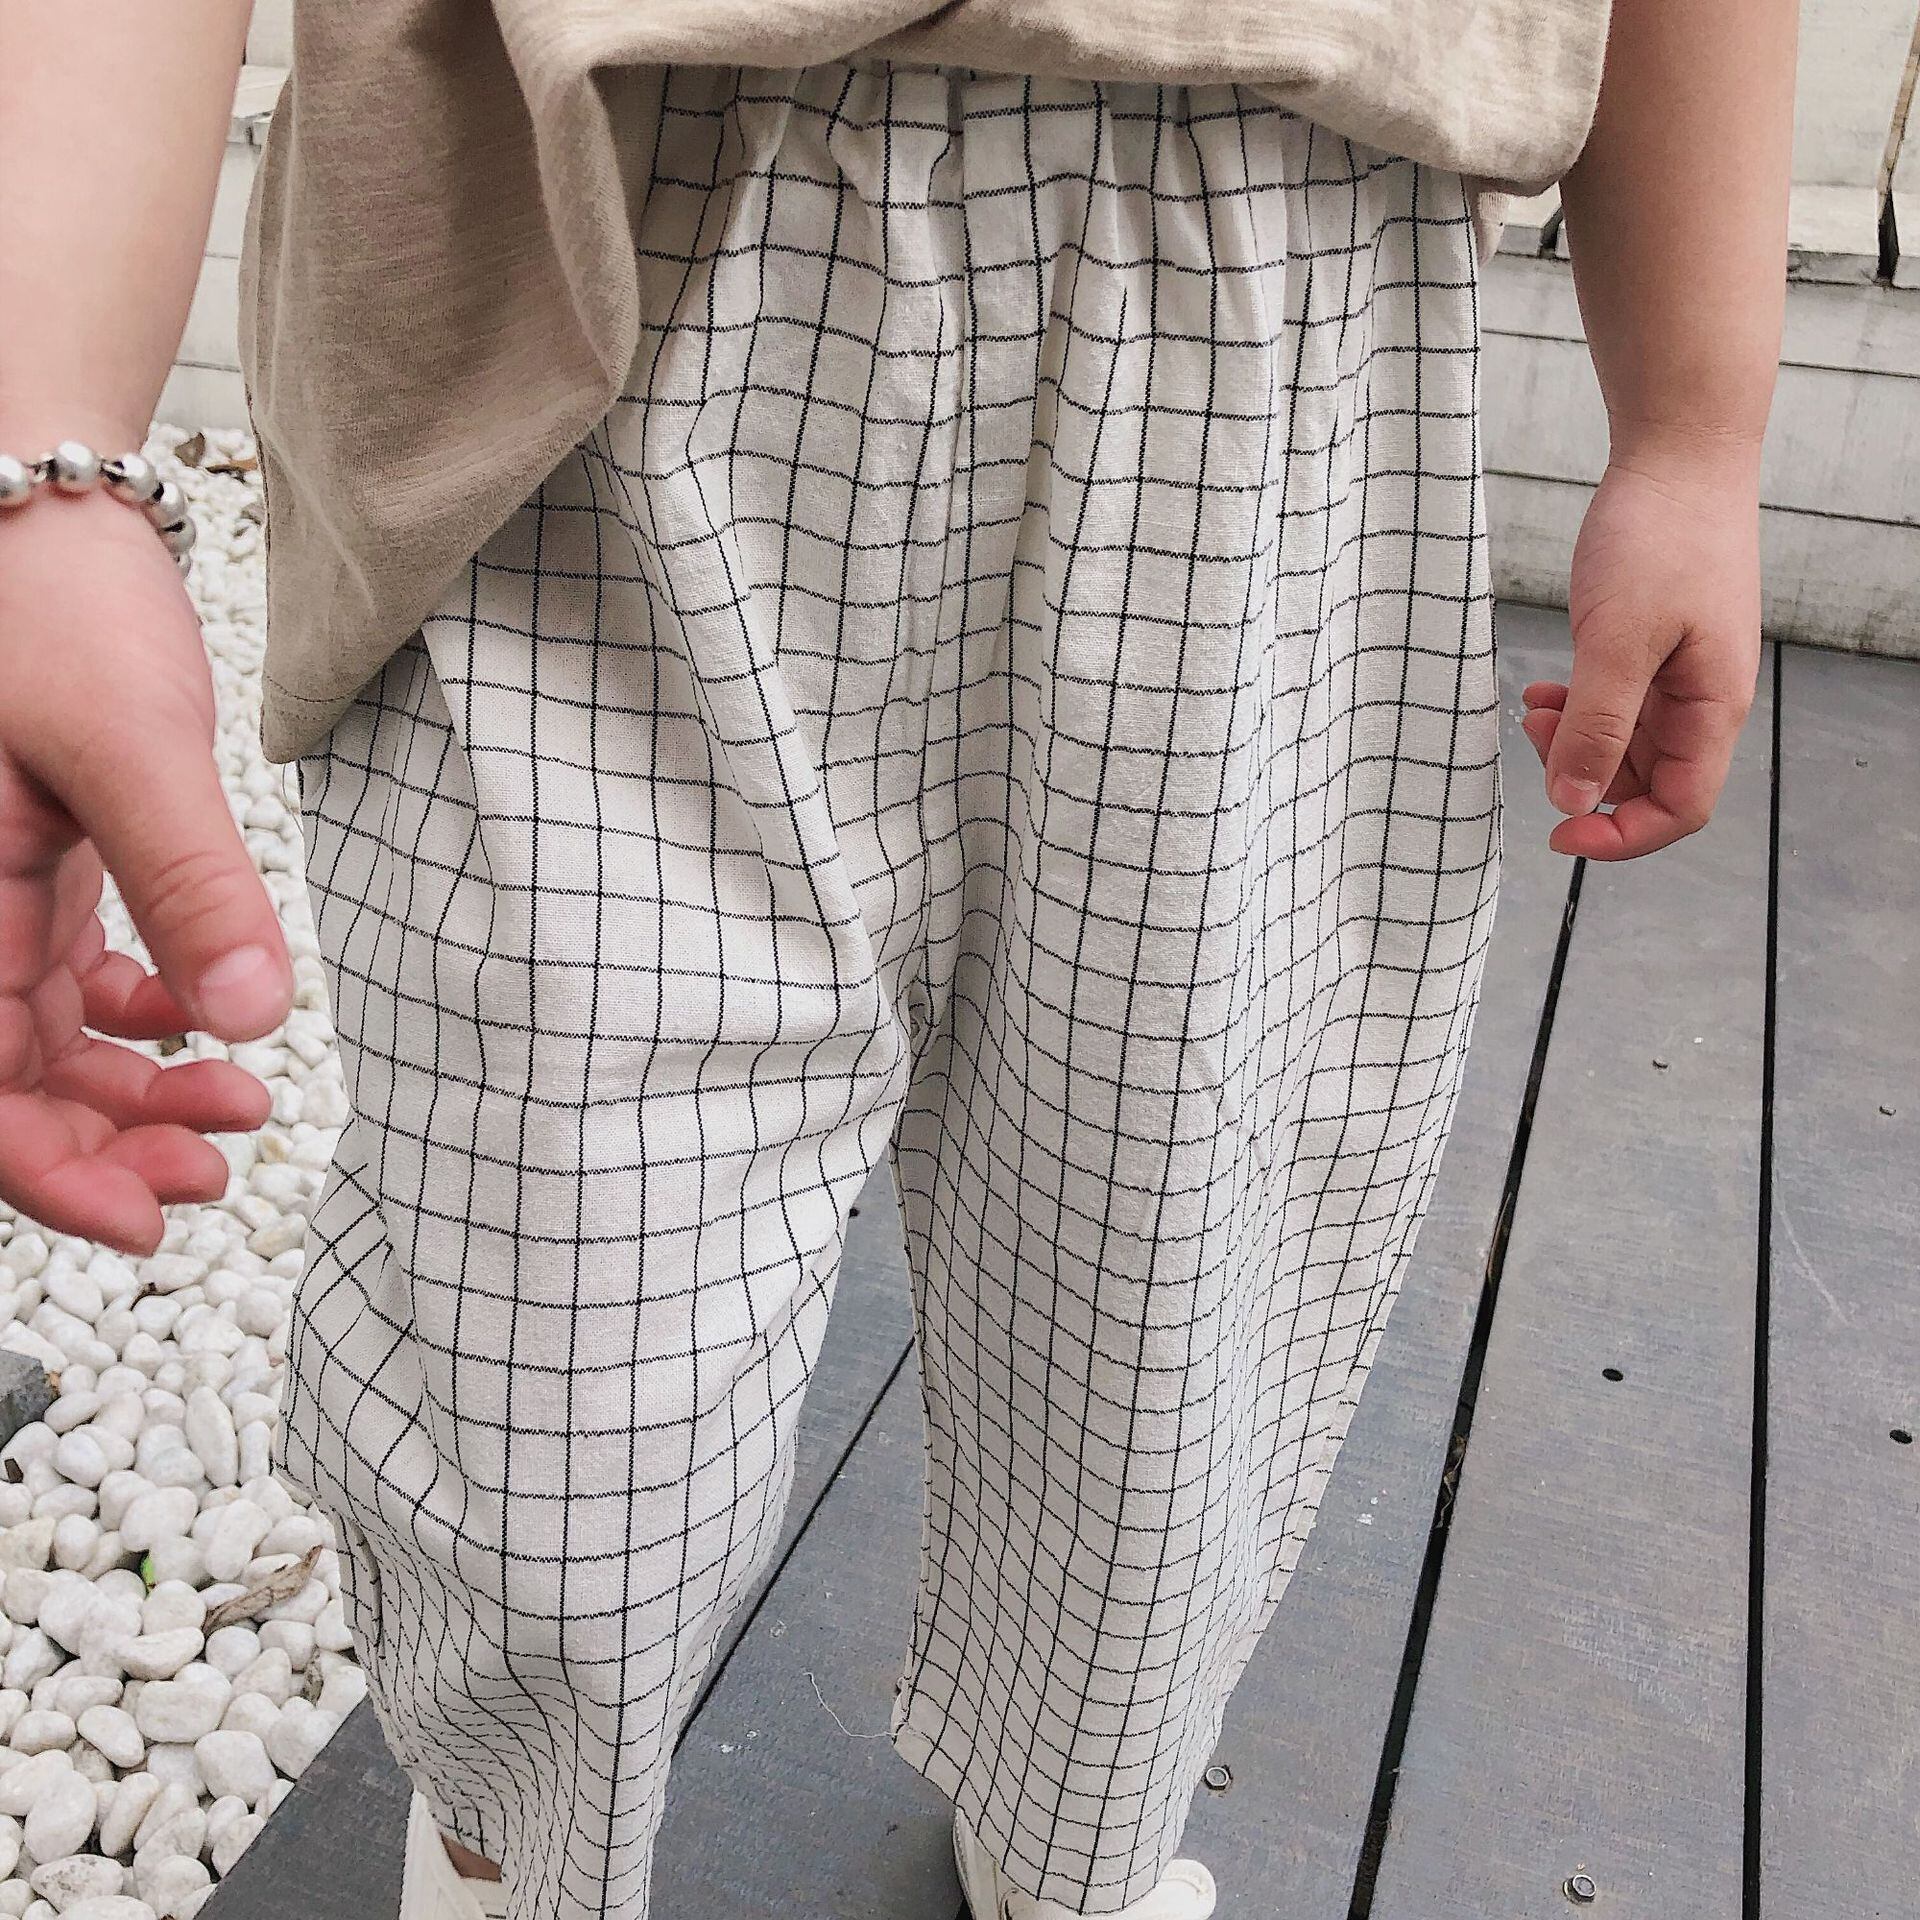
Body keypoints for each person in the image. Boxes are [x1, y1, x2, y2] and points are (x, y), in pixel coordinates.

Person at [0, 2, 1794, 1917]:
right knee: (549, 1393)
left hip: (1288, 292)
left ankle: (1076, 1853)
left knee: (1176, 1314)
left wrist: (1696, 429)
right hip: (575, 274)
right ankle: (506, 1861)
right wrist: (43, 451)